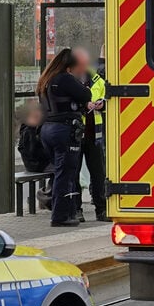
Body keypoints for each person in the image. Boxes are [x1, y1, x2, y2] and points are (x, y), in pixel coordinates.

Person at [36, 48, 95, 227]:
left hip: (47, 130)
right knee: (65, 173)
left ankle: (66, 211)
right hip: (63, 130)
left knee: (60, 171)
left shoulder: (45, 80)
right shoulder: (65, 78)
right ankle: (61, 216)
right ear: (69, 66)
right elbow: (86, 94)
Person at [78, 54, 107, 222]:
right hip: (76, 134)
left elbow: (104, 92)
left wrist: (102, 103)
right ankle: (76, 209)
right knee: (73, 174)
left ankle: (101, 209)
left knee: (98, 173)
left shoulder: (95, 77)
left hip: (94, 134)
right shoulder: (69, 78)